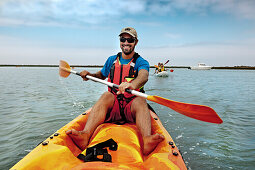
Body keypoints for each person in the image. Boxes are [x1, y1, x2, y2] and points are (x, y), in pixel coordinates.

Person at [66, 27, 165, 155]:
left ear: (136, 42)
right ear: (120, 41)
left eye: (130, 40)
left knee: (141, 100)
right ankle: (85, 135)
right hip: (114, 107)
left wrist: (132, 84)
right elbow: (100, 76)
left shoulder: (141, 62)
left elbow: (143, 76)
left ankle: (146, 139)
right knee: (106, 95)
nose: (126, 42)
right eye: (123, 39)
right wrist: (89, 75)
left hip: (131, 108)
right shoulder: (111, 60)